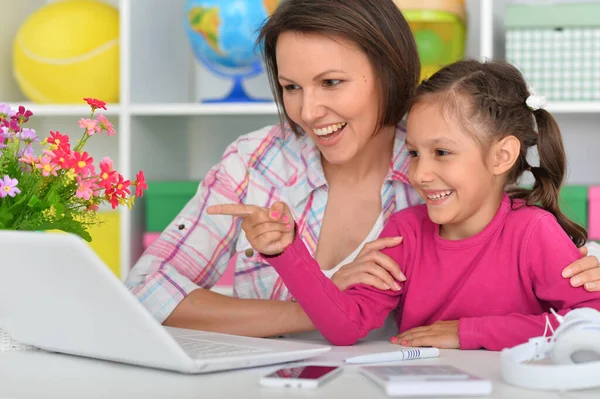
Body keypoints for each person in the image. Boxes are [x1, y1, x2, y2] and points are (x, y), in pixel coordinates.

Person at [126, 0, 600, 340]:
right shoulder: (257, 162)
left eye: (331, 82)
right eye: (291, 87)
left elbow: (535, 270)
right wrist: (314, 293)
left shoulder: (441, 172)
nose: (309, 111)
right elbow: (145, 292)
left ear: (390, 72)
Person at [230, 59, 600, 350]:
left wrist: (469, 332)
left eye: (441, 152)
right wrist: (287, 253)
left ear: (502, 156)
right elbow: (346, 327)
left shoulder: (533, 232)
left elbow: (590, 320)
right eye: (413, 153)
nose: (420, 174)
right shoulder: (404, 232)